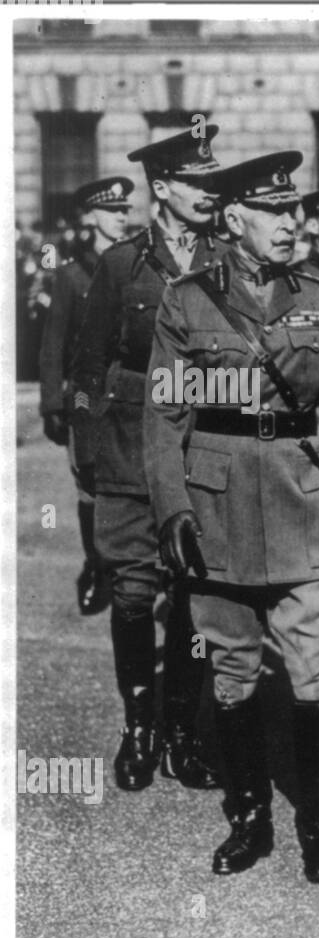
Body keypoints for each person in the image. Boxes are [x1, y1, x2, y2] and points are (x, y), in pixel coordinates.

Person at [142, 150, 319, 888]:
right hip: (216, 505)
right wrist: (172, 509)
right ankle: (249, 817)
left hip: (305, 498)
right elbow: (163, 416)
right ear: (234, 216)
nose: (291, 224)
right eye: (274, 213)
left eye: (294, 211)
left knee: (316, 667)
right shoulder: (185, 300)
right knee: (233, 668)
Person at [70, 128, 227, 793]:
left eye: (214, 181)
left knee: (195, 594)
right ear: (163, 188)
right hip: (133, 447)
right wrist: (93, 455)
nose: (210, 193)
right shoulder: (122, 265)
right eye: (198, 182)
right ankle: (140, 724)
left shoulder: (227, 257)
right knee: (134, 595)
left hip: (207, 445)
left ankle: (185, 729)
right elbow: (90, 363)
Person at [39, 176, 134, 616]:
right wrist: (52, 405)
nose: (122, 217)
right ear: (91, 217)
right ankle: (97, 564)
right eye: (113, 211)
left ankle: (129, 563)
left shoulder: (134, 265)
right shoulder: (71, 273)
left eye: (124, 210)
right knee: (90, 485)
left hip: (129, 395)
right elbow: (53, 343)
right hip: (85, 398)